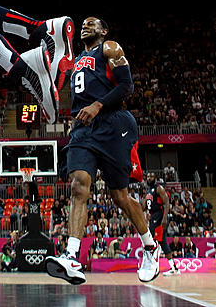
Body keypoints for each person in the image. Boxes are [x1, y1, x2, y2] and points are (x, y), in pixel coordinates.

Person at [45, 17, 161, 285]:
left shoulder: (109, 48)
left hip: (113, 123)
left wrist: (98, 105)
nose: (85, 26)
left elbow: (126, 86)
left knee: (119, 196)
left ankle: (150, 248)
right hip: (83, 128)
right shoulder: (74, 62)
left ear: (104, 30)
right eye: (83, 24)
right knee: (78, 185)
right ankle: (72, 256)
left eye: (92, 23)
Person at [145, 174, 180, 276]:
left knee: (151, 240)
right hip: (153, 216)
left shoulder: (158, 188)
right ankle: (173, 267)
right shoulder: (148, 191)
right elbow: (146, 206)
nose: (149, 178)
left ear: (155, 178)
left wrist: (165, 218)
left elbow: (166, 202)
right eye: (147, 177)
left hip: (159, 216)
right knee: (162, 242)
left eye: (151, 177)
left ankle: (152, 266)